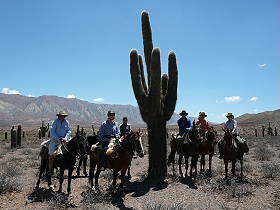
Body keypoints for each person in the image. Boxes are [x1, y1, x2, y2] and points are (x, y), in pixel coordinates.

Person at [48, 111, 72, 179]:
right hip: (56, 140)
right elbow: (52, 132)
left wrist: (66, 138)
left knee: (73, 148)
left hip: (65, 139)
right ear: (58, 116)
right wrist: (58, 139)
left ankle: (71, 164)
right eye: (61, 116)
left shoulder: (66, 122)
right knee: (51, 153)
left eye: (64, 116)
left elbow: (69, 131)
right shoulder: (55, 122)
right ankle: (50, 169)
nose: (63, 117)